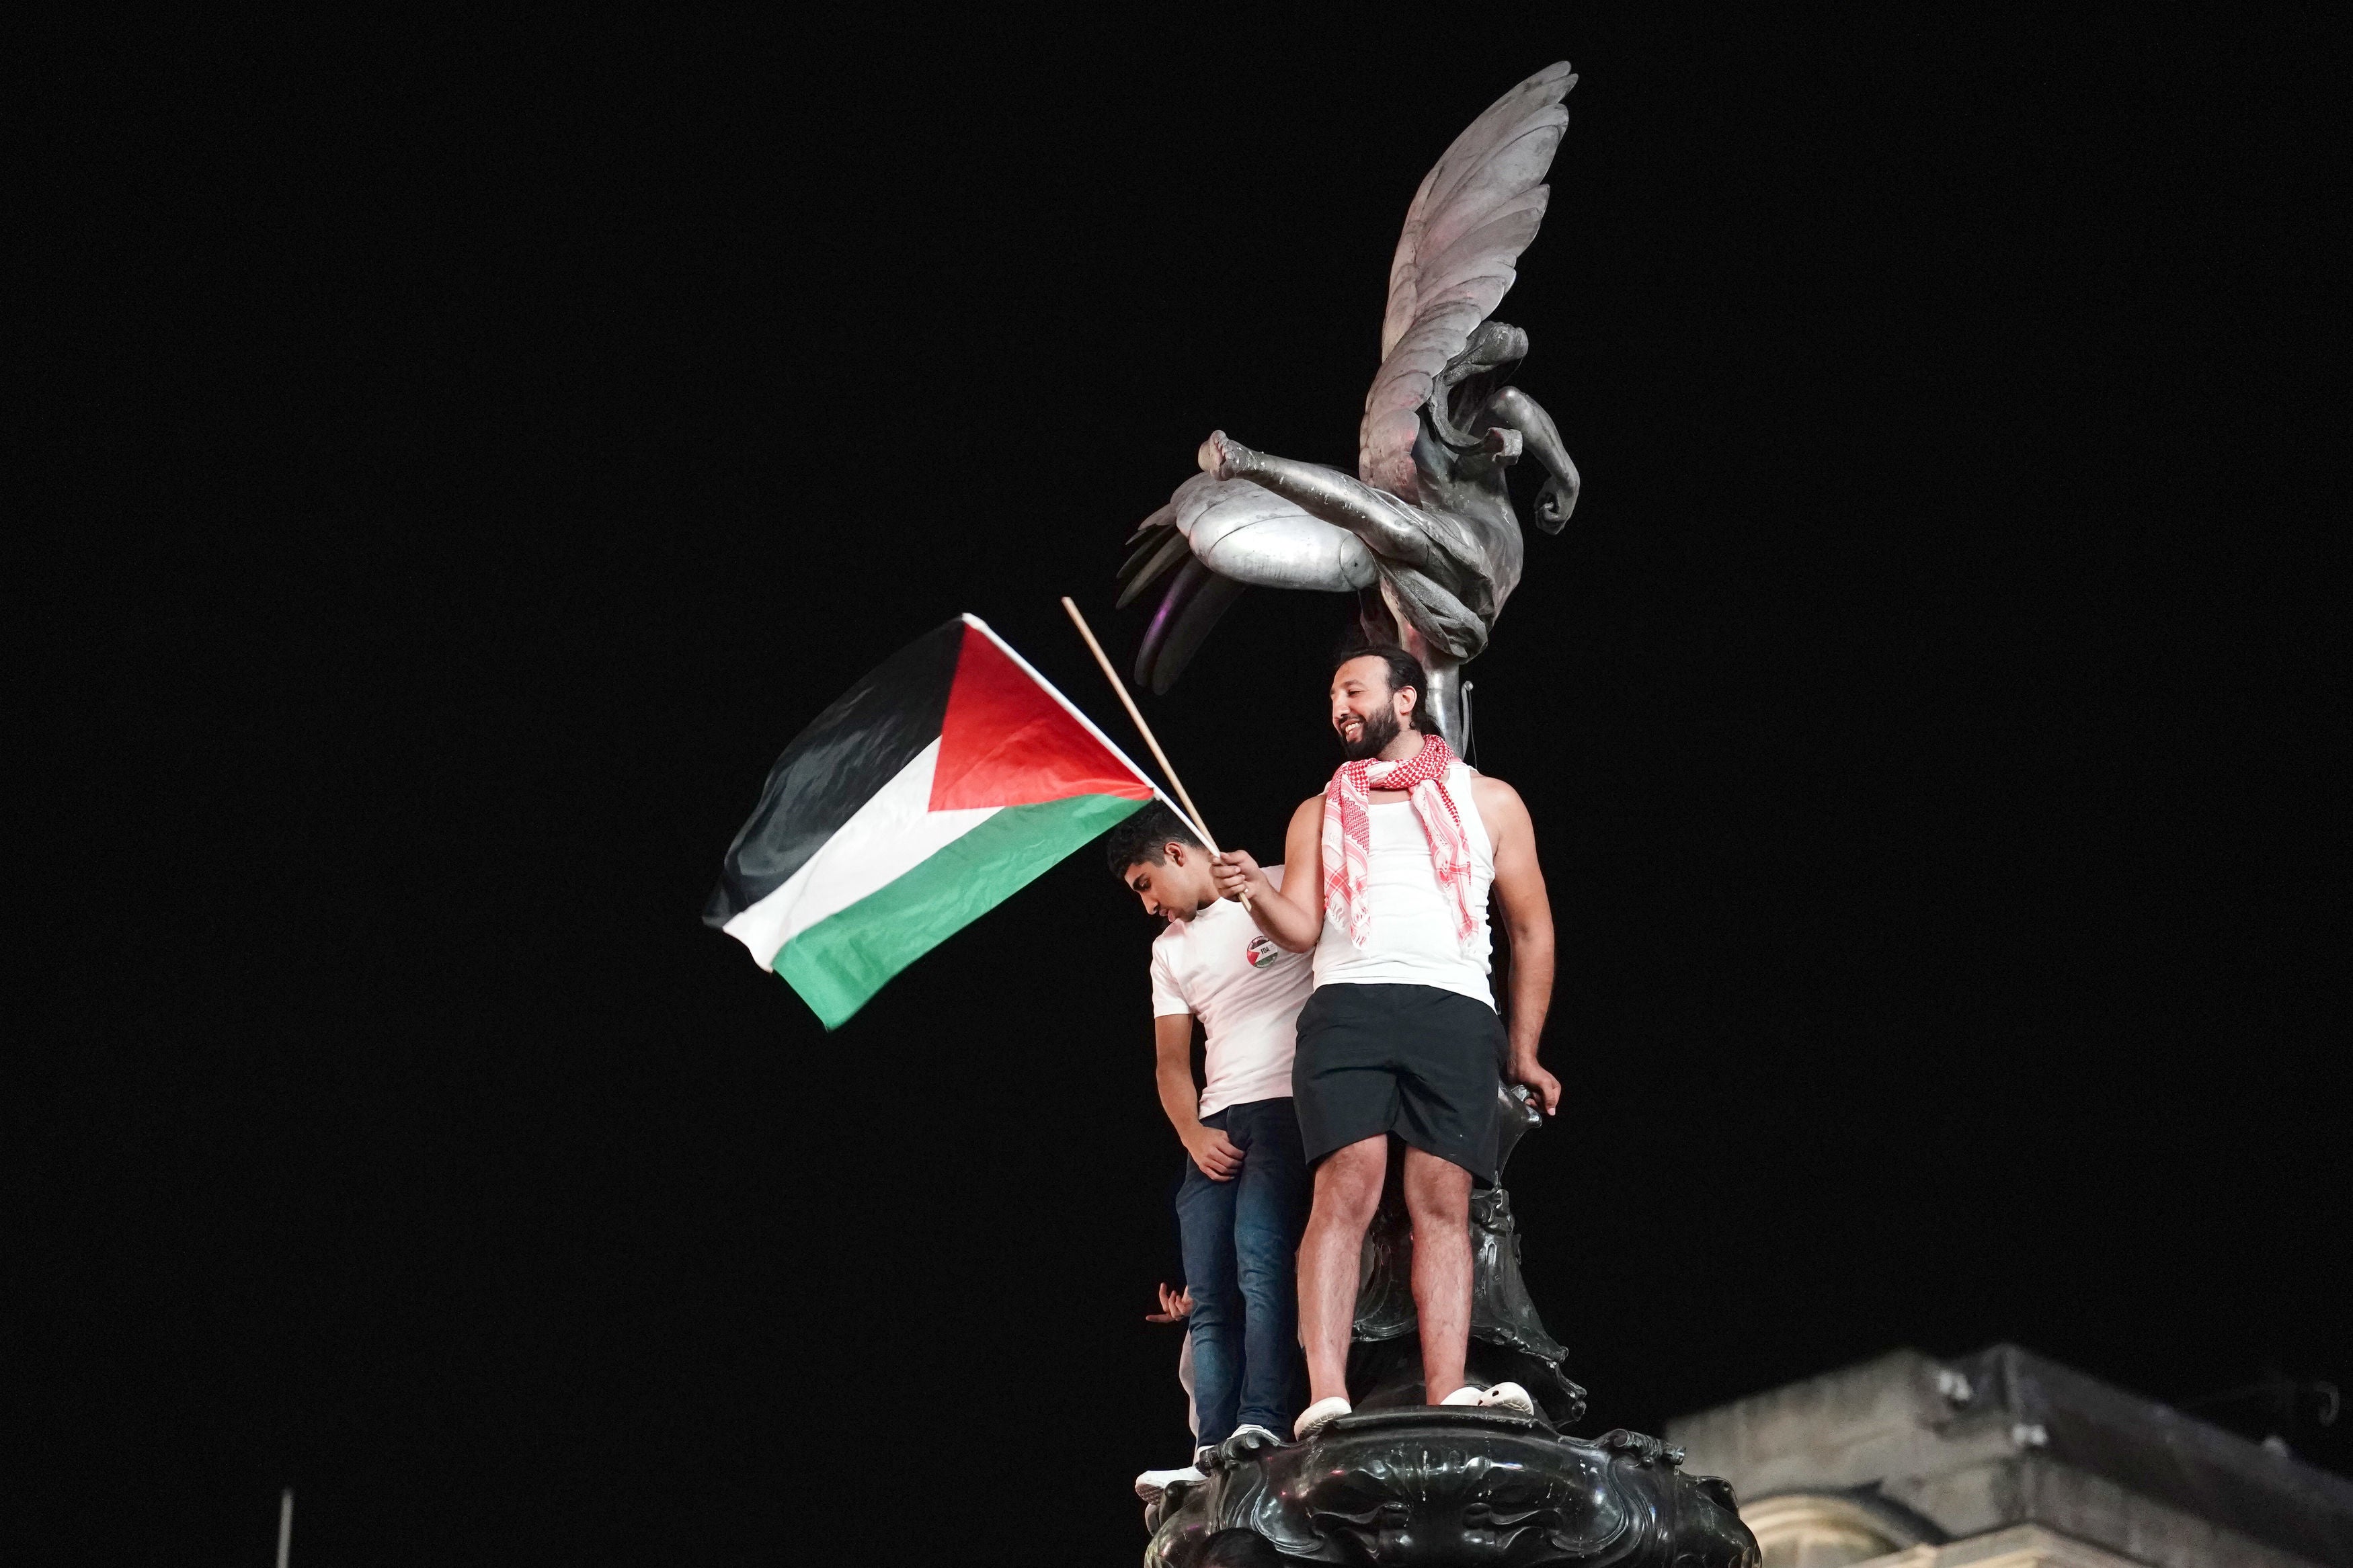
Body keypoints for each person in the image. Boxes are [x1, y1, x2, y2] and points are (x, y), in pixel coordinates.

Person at [1209, 643, 1562, 1440]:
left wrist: (1525, 1049)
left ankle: (1447, 1391)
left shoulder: (1490, 799)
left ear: (1405, 700)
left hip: (1453, 1006)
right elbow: (1299, 930)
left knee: (1441, 1199)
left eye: (1352, 690)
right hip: (1347, 1004)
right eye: (1331, 694)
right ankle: (1325, 1394)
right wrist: (1256, 892)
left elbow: (1531, 927)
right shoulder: (1318, 809)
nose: (1338, 705)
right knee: (1346, 1187)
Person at [1107, 802, 1314, 1498]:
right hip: (1214, 1120)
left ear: (1175, 853)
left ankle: (1262, 1423)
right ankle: (1208, 1449)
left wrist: (1258, 889)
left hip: (1286, 1104)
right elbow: (1170, 1062)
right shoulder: (1168, 949)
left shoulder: (1280, 881)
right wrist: (1191, 1133)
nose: (1146, 904)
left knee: (1261, 1261)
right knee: (1208, 1295)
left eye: (1143, 883)